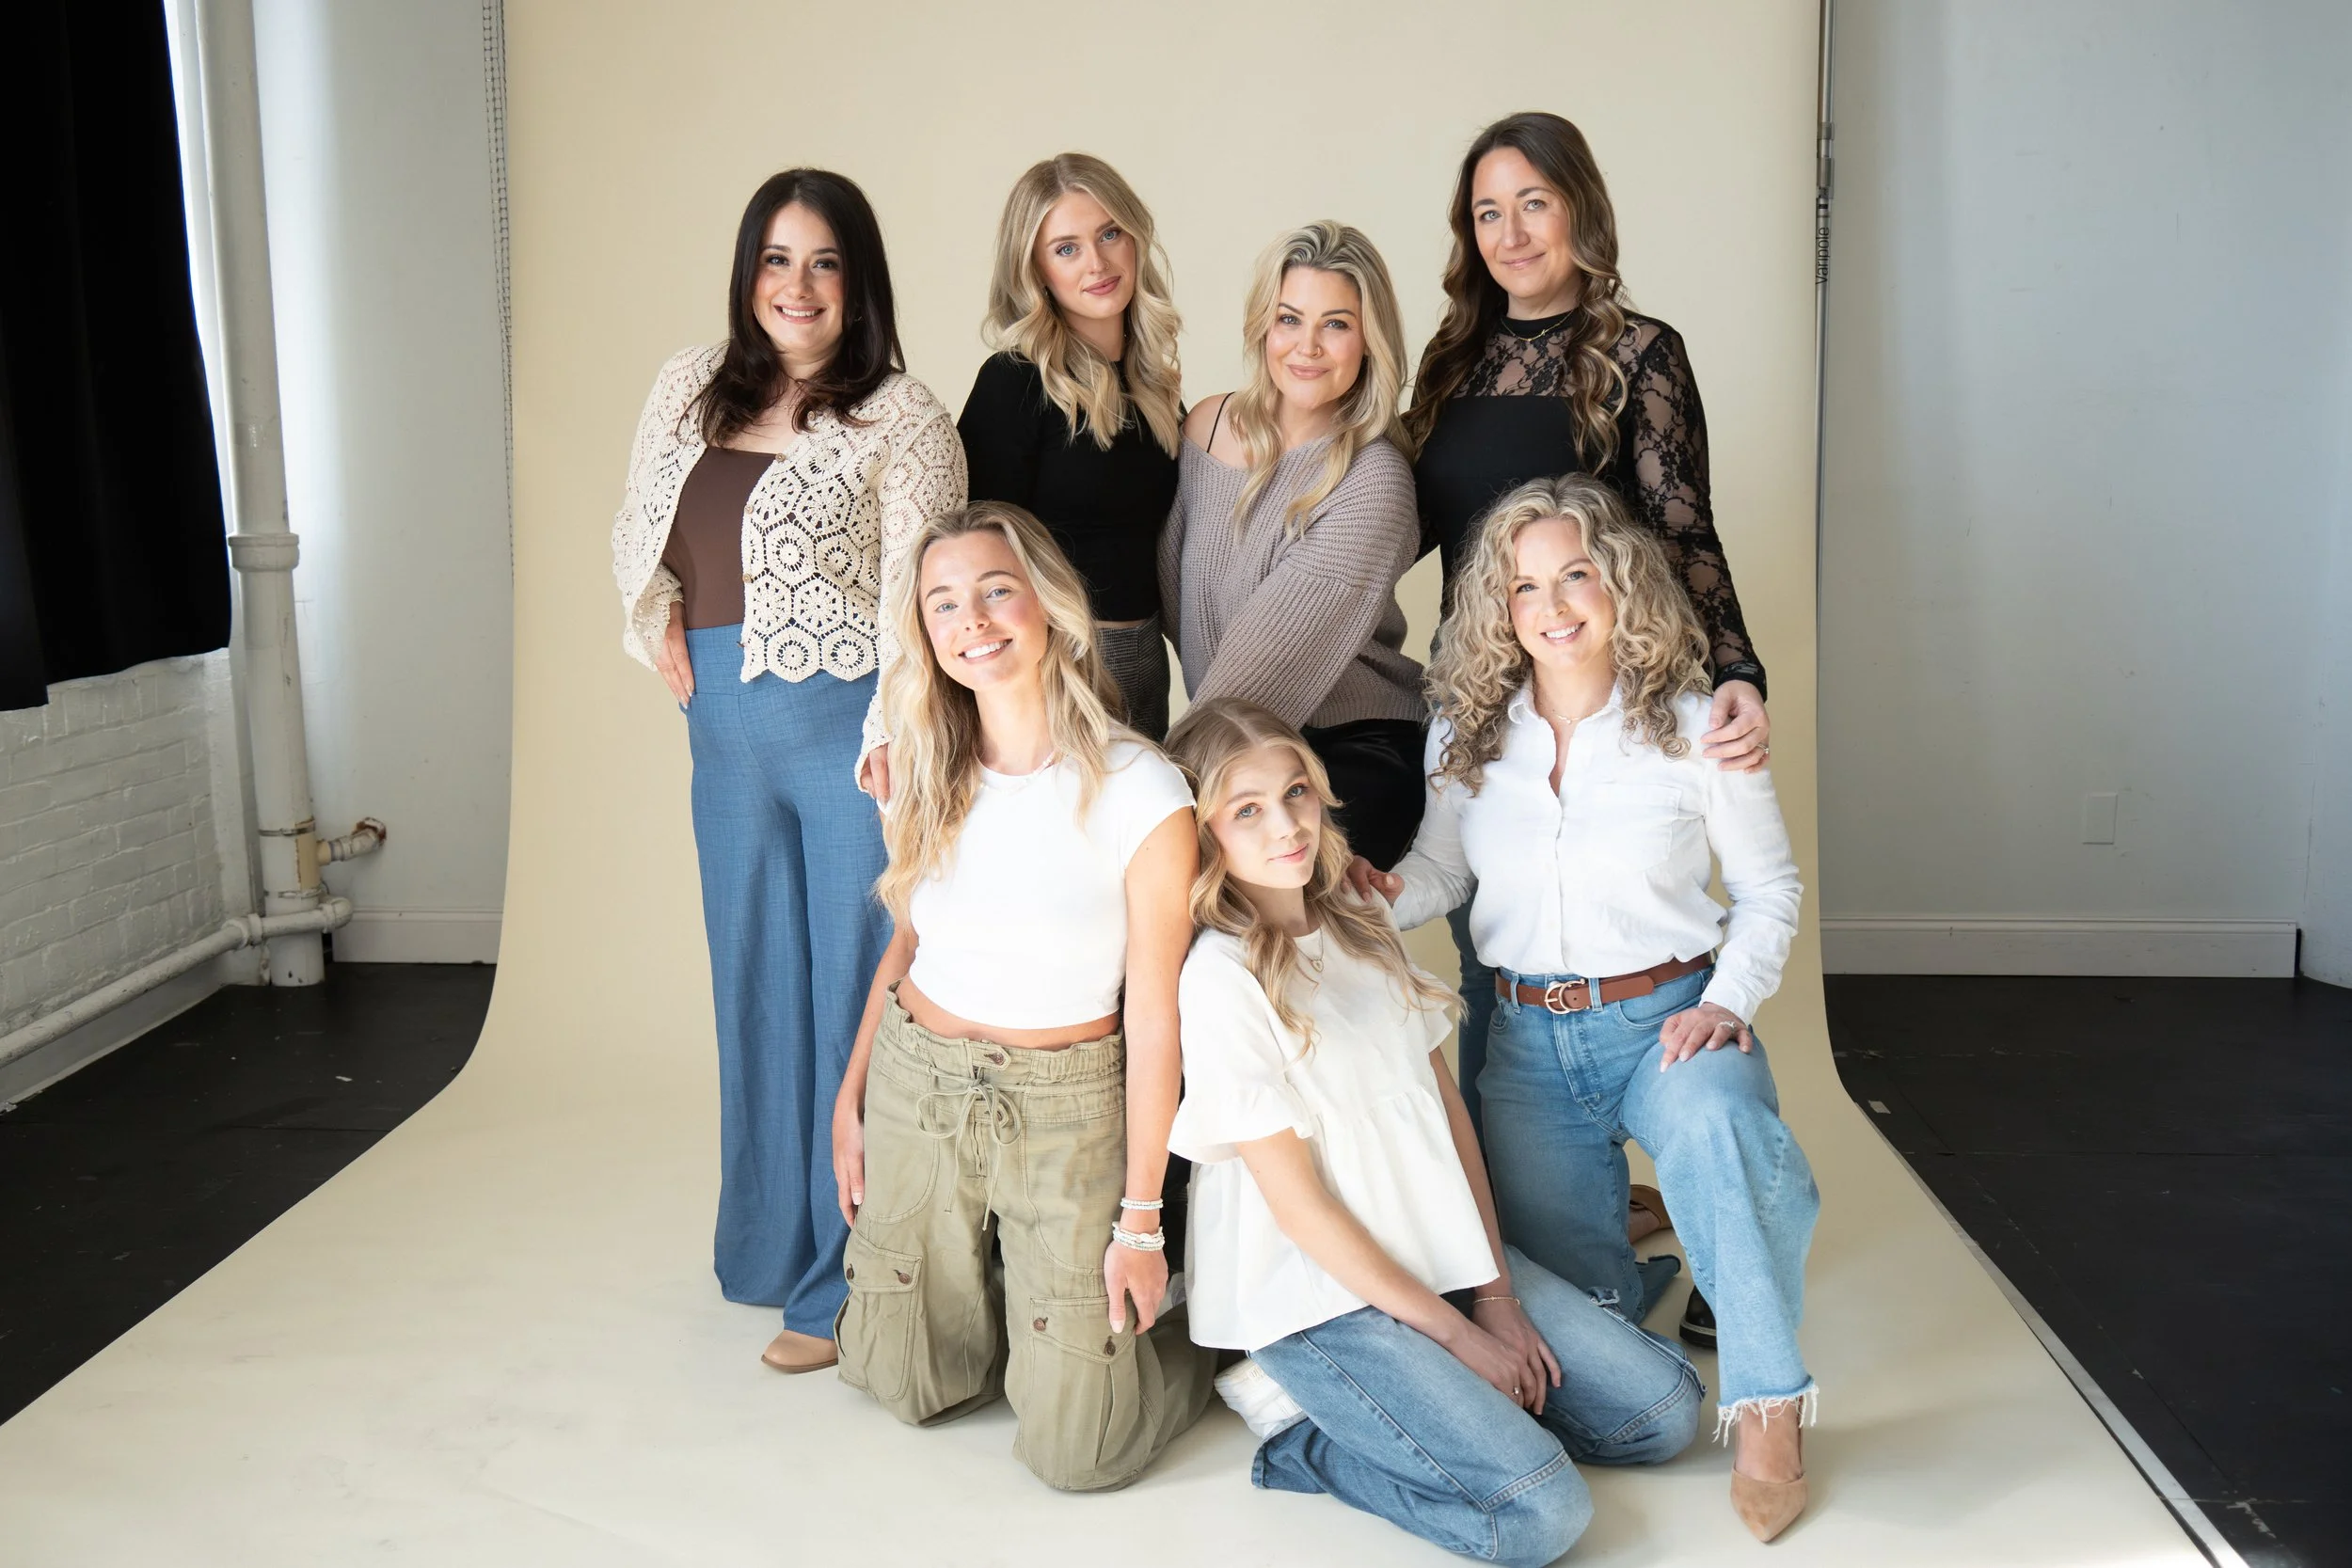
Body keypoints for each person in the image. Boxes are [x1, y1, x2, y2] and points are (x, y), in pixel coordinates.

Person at [1359, 476, 1815, 1543]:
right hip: (1522, 1041)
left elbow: (1770, 890)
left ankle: (1769, 1401)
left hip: (1668, 1018)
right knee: (1589, 1337)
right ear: (1498, 608)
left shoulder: (1700, 728)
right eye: (1524, 586)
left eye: (1574, 574)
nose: (1552, 604)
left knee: (1716, 1125)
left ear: (1618, 583)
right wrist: (1378, 892)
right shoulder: (1465, 736)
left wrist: (1729, 999)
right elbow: (1439, 872)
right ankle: (1642, 1244)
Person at [1165, 697, 1702, 1566]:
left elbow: (1446, 1117)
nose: (1286, 825)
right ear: (1206, 835)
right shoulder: (1221, 978)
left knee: (1665, 1413)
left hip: (1433, 1248)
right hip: (1323, 1298)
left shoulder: (1359, 920)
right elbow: (1301, 1216)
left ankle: (1456, 1412)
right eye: (1247, 810)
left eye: (1296, 791)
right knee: (1541, 1514)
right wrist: (1460, 1338)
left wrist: (1494, 1296)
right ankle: (1303, 1439)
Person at [610, 168, 963, 1374]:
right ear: (747, 271)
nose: (795, 286)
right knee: (754, 987)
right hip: (721, 740)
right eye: (775, 258)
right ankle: (768, 1244)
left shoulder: (901, 412)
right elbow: (640, 532)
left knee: (852, 1004)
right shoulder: (687, 386)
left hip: (846, 738)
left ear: (856, 280)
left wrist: (894, 735)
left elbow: (922, 589)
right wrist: (654, 613)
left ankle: (844, 1283)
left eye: (822, 262)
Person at [1402, 111, 1772, 1137]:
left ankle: (1665, 1168)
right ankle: (1542, 1210)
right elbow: (1391, 528)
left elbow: (1684, 528)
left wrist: (1739, 668)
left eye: (1534, 204)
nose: (1511, 233)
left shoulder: (1640, 354)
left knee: (1612, 958)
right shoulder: (1450, 363)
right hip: (1480, 702)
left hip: (1604, 708)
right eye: (1488, 212)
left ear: (1579, 210)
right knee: (1500, 970)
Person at [830, 500, 1214, 1490]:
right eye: (944, 601)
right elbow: (908, 944)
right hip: (919, 1079)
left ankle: (1213, 1334)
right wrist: (852, 1093)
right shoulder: (916, 765)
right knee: (904, 1381)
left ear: (1047, 601)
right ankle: (1014, 1302)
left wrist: (1140, 1221)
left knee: (1080, 1453)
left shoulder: (1141, 789)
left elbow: (1154, 1017)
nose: (974, 619)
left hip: (1068, 1106)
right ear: (925, 630)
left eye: (997, 589)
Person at [1158, 221, 1426, 870]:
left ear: (1370, 340)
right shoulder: (1207, 425)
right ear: (1263, 326)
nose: (1307, 347)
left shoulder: (1374, 477)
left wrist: (1158, 790)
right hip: (1236, 746)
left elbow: (1261, 668)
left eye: (1336, 324)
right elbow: (1170, 598)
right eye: (1289, 319)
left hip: (1346, 755)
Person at [959, 153, 1184, 740]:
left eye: (1110, 234)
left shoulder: (1155, 389)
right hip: (1062, 663)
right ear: (1034, 269)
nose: (1098, 262)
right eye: (1067, 248)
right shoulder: (1015, 381)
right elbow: (978, 549)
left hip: (1146, 655)